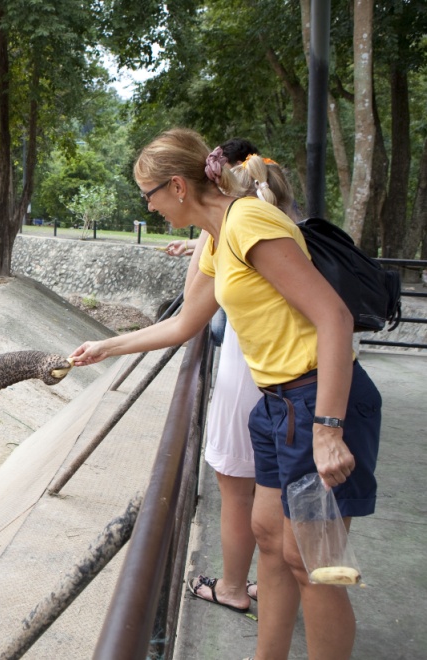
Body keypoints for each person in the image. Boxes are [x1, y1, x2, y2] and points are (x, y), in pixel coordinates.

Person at [71, 128, 381, 660]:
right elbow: (185, 323)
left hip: (319, 401)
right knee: (270, 541)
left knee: (314, 565)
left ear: (177, 186)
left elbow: (334, 316)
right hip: (277, 404)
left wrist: (328, 429)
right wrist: (107, 346)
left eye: (148, 196)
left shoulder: (249, 222)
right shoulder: (217, 237)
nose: (149, 207)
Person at [176, 139, 301, 614]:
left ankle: (232, 585)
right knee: (276, 506)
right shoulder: (281, 226)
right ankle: (272, 585)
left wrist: (204, 235)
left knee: (235, 488)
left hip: (255, 377)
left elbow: (190, 305)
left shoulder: (236, 228)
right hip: (288, 387)